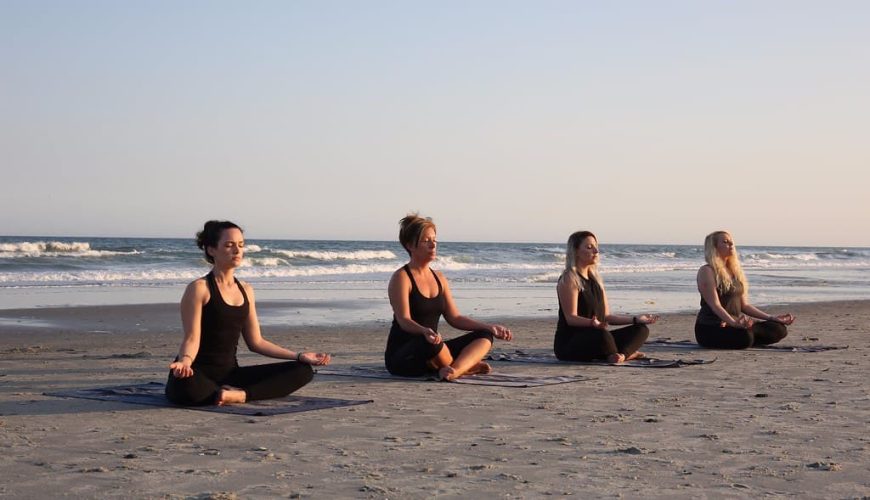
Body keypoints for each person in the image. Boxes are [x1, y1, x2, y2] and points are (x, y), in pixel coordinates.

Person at [165, 220, 331, 406]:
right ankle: (229, 394)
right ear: (211, 250)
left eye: (241, 245)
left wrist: (299, 356)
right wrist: (185, 362)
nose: (237, 250)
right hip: (195, 373)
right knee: (184, 387)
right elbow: (191, 338)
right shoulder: (199, 289)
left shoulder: (246, 290)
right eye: (229, 245)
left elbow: (256, 342)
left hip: (231, 374)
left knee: (303, 371)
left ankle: (239, 395)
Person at [385, 214, 513, 381]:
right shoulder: (401, 278)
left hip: (436, 349)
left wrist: (489, 327)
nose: (433, 245)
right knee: (430, 342)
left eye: (434, 240)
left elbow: (455, 318)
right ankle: (465, 367)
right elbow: (404, 320)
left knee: (484, 336)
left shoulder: (439, 278)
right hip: (404, 356)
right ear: (410, 245)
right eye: (426, 241)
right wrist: (423, 330)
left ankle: (455, 370)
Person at [554, 231, 657, 363]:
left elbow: (607, 317)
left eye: (596, 247)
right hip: (571, 343)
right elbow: (571, 318)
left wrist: (636, 319)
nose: (596, 251)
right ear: (576, 251)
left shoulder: (596, 280)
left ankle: (621, 355)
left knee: (641, 330)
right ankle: (621, 354)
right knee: (602, 334)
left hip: (597, 336)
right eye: (589, 247)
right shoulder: (569, 279)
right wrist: (592, 323)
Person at [695, 231, 794, 349]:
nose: (731, 244)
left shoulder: (734, 272)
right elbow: (715, 305)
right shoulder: (707, 271)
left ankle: (746, 336)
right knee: (745, 336)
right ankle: (746, 336)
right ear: (714, 247)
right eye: (725, 242)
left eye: (731, 242)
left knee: (778, 328)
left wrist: (772, 317)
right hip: (711, 327)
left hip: (735, 325)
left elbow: (744, 306)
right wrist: (733, 323)